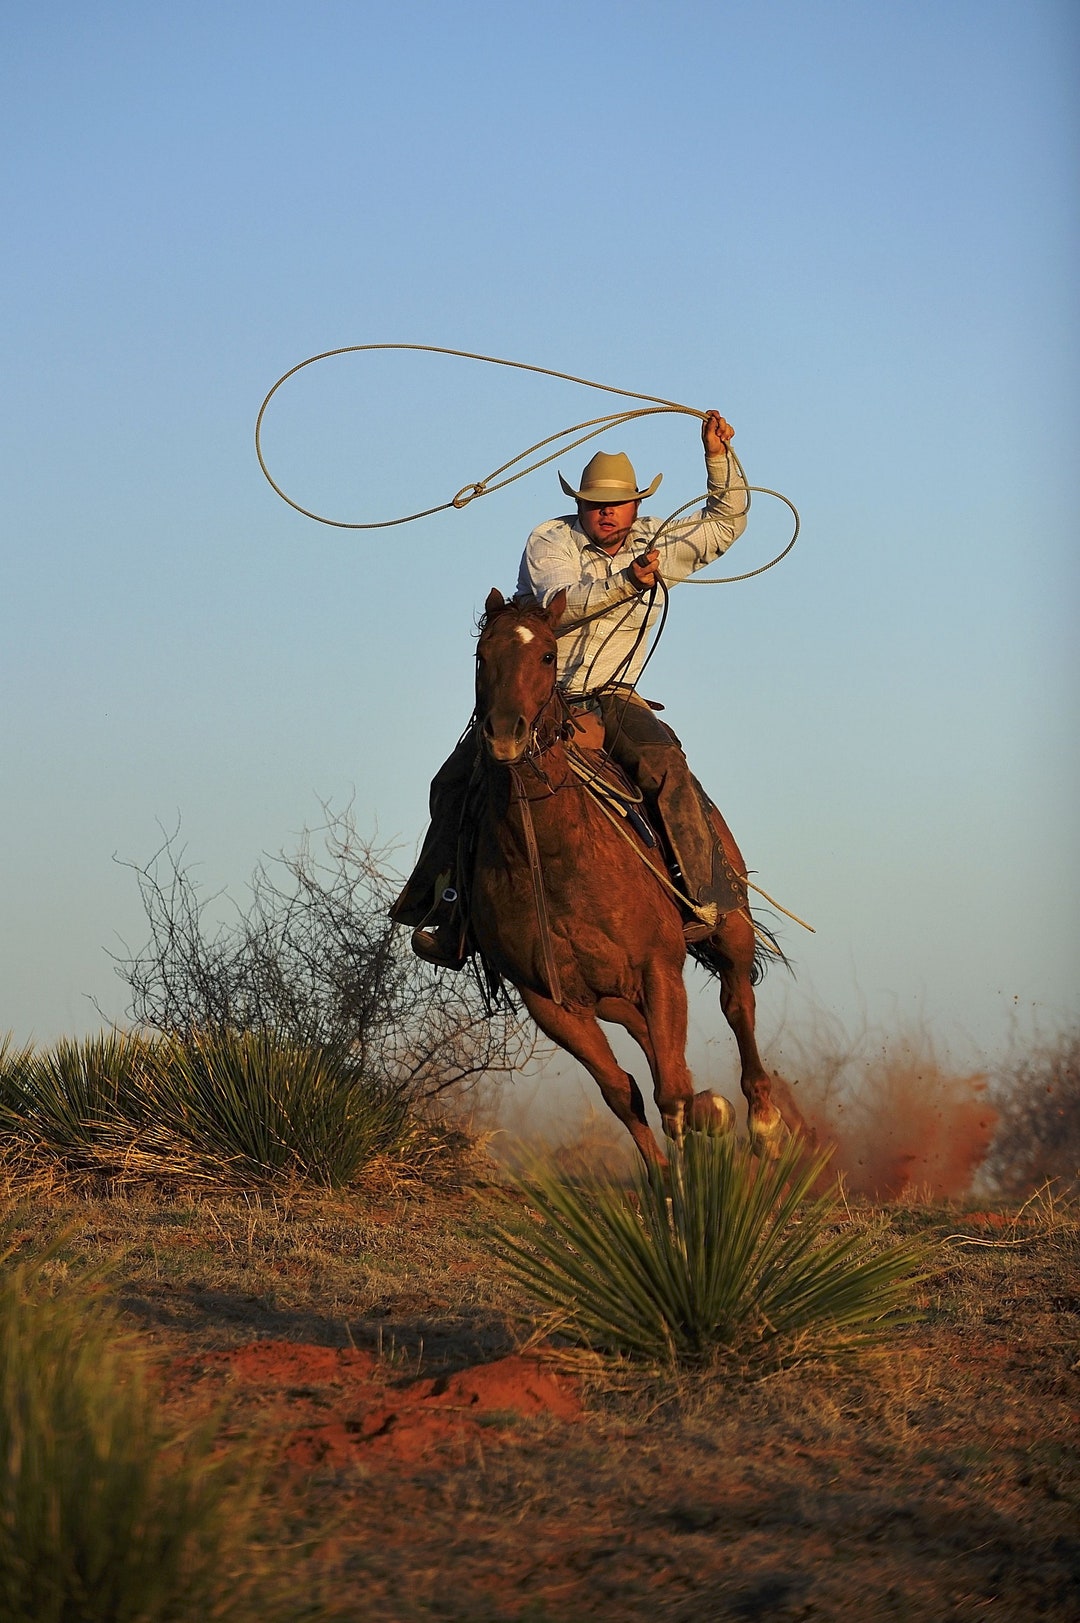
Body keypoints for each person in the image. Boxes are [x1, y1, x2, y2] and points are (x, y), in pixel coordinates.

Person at [390, 411, 750, 967]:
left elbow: (725, 523)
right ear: (579, 505)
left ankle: (699, 899)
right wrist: (628, 581)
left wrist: (717, 458)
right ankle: (450, 909)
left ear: (636, 504)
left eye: (617, 502)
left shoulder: (658, 540)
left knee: (666, 768)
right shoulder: (548, 540)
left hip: (615, 694)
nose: (606, 512)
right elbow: (558, 602)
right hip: (539, 697)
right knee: (455, 782)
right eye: (595, 503)